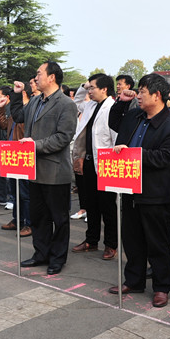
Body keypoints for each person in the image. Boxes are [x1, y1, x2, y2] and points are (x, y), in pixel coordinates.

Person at [106, 73, 170, 308]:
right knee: (132, 240)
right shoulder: (134, 116)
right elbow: (114, 122)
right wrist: (122, 102)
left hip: (155, 193)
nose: (138, 96)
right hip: (128, 189)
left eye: (142, 92)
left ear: (157, 95)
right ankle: (134, 280)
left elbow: (165, 157)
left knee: (157, 244)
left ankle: (161, 287)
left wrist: (133, 155)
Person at [11, 61, 78, 276]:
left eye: (39, 73)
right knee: (38, 217)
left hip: (55, 171)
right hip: (33, 169)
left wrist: (35, 145)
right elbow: (18, 117)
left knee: (59, 219)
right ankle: (41, 253)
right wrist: (16, 95)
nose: (36, 77)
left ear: (52, 77)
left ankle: (57, 258)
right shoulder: (35, 101)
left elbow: (63, 137)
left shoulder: (66, 104)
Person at [71, 74, 119, 260]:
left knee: (107, 206)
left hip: (106, 162)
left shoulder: (112, 107)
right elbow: (76, 103)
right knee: (90, 204)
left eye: (92, 88)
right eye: (89, 88)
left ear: (104, 89)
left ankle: (111, 244)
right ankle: (91, 240)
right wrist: (83, 86)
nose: (89, 91)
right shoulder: (90, 105)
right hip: (89, 161)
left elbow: (115, 138)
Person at [0, 83, 33, 237]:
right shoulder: (16, 111)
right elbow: (4, 125)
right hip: (11, 154)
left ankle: (29, 223)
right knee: (14, 191)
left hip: (22, 153)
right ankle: (17, 219)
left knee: (25, 192)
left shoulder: (30, 110)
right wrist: (0, 109)